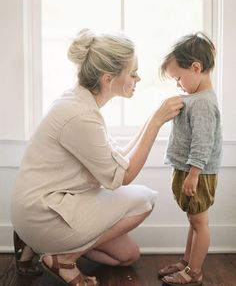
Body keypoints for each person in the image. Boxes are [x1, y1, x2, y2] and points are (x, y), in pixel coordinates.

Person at [11, 28, 183, 286]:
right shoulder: (81, 116)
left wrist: (150, 119)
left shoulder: (80, 104)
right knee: (145, 199)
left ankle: (37, 247)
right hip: (43, 212)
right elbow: (123, 176)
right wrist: (157, 122)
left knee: (127, 255)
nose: (137, 78)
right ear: (107, 78)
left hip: (53, 202)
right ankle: (63, 259)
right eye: (133, 73)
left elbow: (117, 159)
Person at [158, 32, 222, 286]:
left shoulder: (204, 103)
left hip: (199, 171)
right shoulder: (195, 98)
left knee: (200, 222)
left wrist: (194, 173)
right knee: (193, 220)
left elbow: (203, 142)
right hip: (190, 169)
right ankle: (187, 261)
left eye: (178, 78)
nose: (178, 84)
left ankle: (194, 272)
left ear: (196, 68)